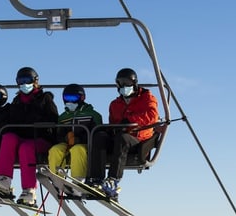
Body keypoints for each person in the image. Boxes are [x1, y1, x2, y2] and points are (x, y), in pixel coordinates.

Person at [88, 68, 159, 199]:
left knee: (122, 138)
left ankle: (113, 179)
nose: (123, 86)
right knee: (99, 137)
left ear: (134, 83)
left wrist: (130, 120)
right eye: (120, 83)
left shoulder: (147, 98)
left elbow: (152, 116)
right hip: (119, 137)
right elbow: (113, 122)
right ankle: (96, 178)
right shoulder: (115, 104)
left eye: (126, 83)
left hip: (139, 139)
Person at [0, 66, 59, 208]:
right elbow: (9, 121)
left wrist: (38, 124)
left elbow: (53, 120)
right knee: (8, 137)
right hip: (22, 136)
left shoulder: (45, 99)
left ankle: (29, 191)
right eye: (20, 81)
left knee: (26, 148)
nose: (24, 84)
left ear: (35, 81)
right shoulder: (16, 102)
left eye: (27, 80)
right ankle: (4, 180)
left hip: (40, 139)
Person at [48, 84, 103, 181]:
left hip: (85, 145)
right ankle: (56, 178)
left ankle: (77, 179)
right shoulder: (63, 117)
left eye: (73, 98)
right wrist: (66, 138)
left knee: (77, 149)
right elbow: (58, 136)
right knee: (55, 150)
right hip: (67, 144)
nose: (70, 101)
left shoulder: (93, 115)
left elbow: (97, 134)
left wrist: (79, 139)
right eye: (67, 98)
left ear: (82, 97)